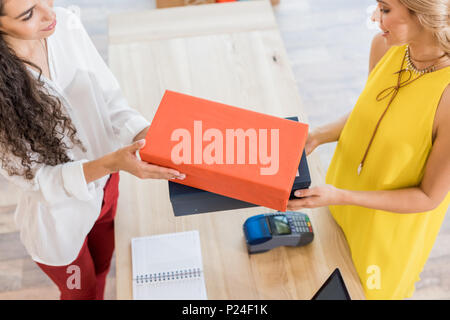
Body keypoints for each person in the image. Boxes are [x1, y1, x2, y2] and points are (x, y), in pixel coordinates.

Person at [0, 0, 185, 300]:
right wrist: (110, 163)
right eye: (28, 14)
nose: (49, 14)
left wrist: (142, 133)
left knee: (103, 263)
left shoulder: (66, 26)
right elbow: (38, 180)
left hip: (108, 186)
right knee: (81, 292)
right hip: (61, 218)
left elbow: (110, 100)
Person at [288, 0, 450, 299]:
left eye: (385, 9)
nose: (375, 18)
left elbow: (429, 197)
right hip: (337, 202)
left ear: (423, 14)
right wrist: (318, 135)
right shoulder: (385, 46)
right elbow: (371, 111)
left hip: (384, 233)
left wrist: (343, 196)